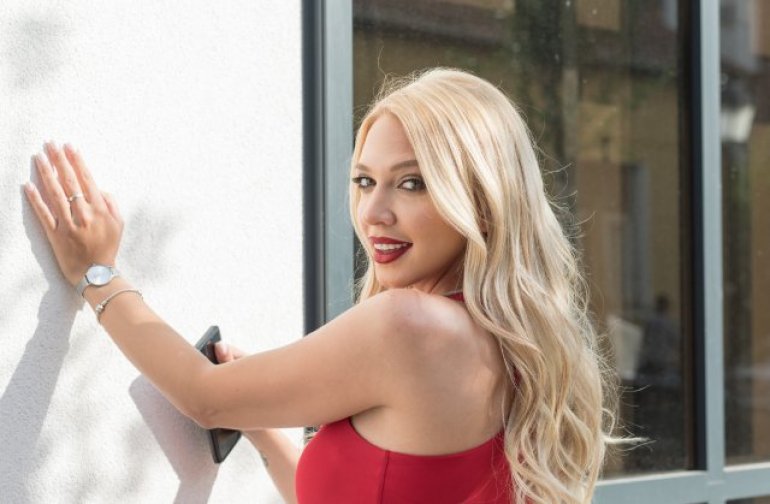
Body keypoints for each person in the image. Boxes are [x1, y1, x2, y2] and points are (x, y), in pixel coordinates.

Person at [23, 68, 616, 504]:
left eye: (412, 183)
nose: (374, 213)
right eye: (365, 181)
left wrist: (97, 273)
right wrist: (261, 425)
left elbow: (203, 397)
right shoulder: (508, 343)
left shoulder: (412, 325)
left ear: (481, 199)